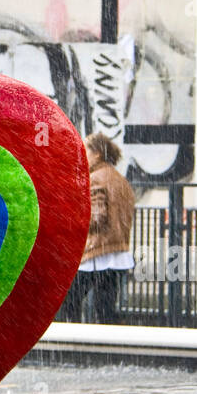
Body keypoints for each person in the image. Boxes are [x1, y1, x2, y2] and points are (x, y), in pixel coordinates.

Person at [61, 132, 136, 323]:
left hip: (96, 252)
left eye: (85, 150)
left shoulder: (95, 178)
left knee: (69, 299)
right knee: (105, 306)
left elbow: (96, 217)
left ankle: (74, 341)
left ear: (97, 154)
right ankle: (106, 347)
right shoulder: (120, 180)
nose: (82, 155)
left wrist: (72, 222)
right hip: (118, 251)